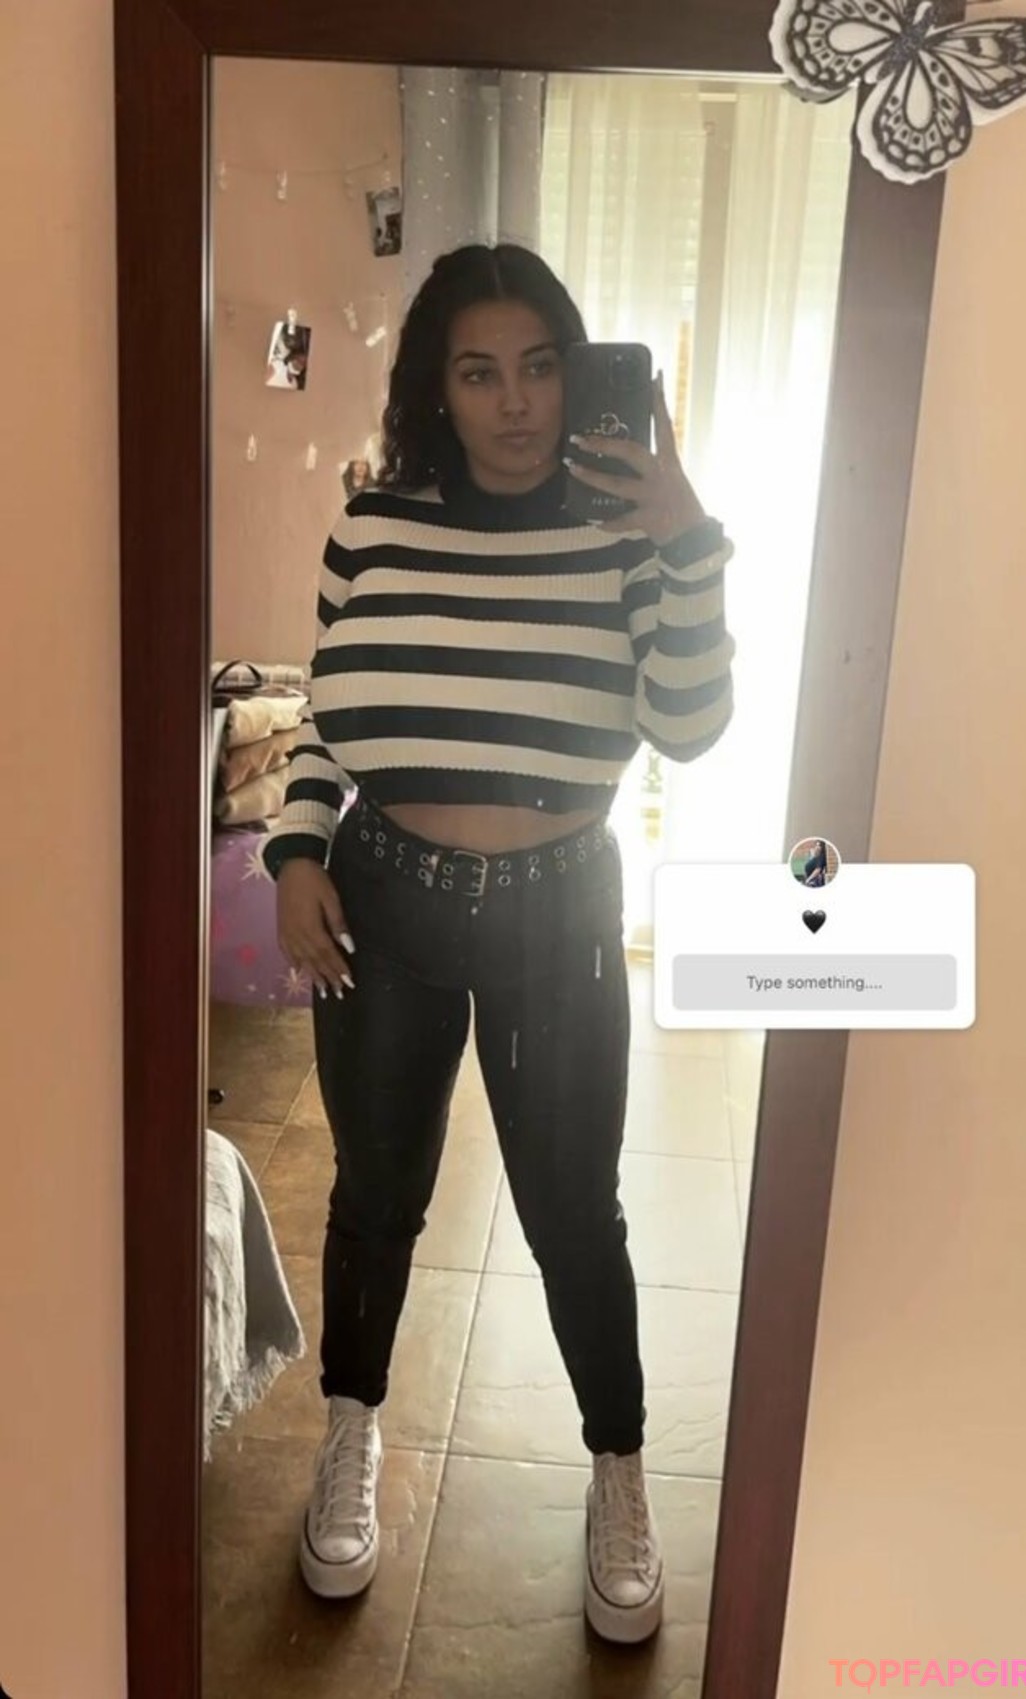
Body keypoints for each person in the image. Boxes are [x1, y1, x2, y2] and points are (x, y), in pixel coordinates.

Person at [260, 242, 736, 1646]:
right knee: (375, 1194)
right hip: (385, 905)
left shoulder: (627, 529)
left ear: (576, 375)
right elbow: (324, 715)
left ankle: (619, 1469)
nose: (517, 402)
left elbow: (692, 728)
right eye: (480, 372)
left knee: (573, 1208)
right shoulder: (373, 526)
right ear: (439, 388)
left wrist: (689, 538)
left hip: (560, 912)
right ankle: (351, 1433)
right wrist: (296, 852)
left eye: (539, 367)